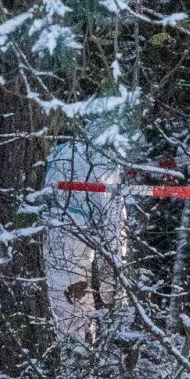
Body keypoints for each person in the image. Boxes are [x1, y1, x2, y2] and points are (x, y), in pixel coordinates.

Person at [44, 141, 128, 343]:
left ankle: (66, 349)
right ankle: (78, 351)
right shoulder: (107, 162)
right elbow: (113, 228)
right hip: (76, 235)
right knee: (74, 299)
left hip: (49, 226)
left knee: (60, 297)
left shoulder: (61, 150)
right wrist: (113, 293)